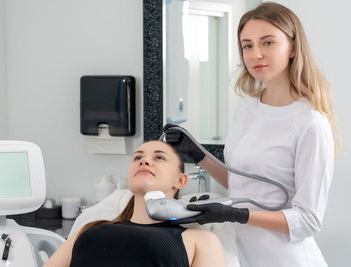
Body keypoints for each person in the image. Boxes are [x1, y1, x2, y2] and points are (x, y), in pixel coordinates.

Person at [163, 2, 341, 267]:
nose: (255, 54)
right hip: (249, 257)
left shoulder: (311, 123)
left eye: (267, 43)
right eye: (247, 45)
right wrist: (199, 155)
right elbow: (244, 184)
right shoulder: (247, 110)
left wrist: (237, 215)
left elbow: (308, 220)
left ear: (292, 47)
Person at [43, 141, 227, 267]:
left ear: (180, 180)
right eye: (137, 158)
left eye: (159, 157)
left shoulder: (199, 240)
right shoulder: (88, 230)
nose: (144, 161)